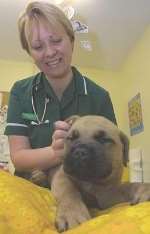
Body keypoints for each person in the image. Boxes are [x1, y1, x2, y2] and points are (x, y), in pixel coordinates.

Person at [4, 1, 117, 181]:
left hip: (84, 189)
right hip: (30, 190)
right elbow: (18, 157)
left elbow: (111, 153)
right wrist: (56, 152)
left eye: (56, 41)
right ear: (29, 52)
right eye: (38, 47)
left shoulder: (99, 97)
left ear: (71, 40)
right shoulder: (20, 91)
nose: (49, 52)